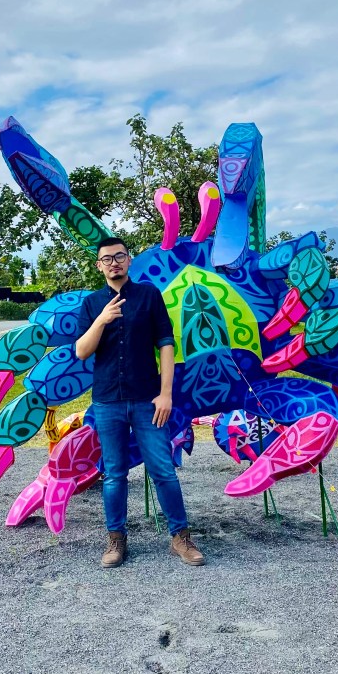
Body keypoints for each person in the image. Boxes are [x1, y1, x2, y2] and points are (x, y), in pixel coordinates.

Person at [75, 237, 205, 569]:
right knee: (115, 474)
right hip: (107, 401)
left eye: (119, 256)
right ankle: (116, 540)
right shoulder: (92, 304)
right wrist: (102, 319)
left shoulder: (148, 295)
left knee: (163, 470)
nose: (114, 262)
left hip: (148, 399)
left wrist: (166, 393)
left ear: (129, 260)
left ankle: (181, 538)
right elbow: (82, 351)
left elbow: (165, 343)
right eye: (107, 259)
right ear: (99, 266)